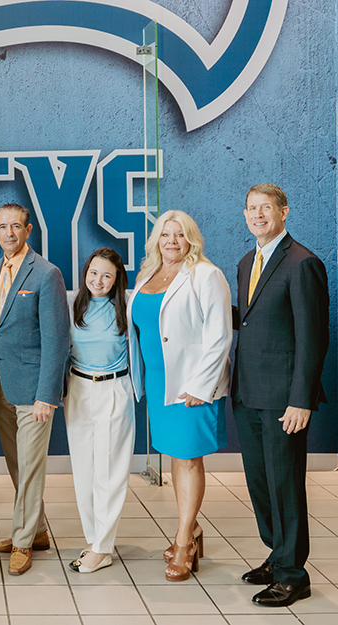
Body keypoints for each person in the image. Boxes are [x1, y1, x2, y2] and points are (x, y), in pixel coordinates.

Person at [232, 184, 329, 607]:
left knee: (285, 484)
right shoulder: (245, 262)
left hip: (283, 397)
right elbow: (248, 321)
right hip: (248, 392)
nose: (258, 215)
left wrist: (301, 399)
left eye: (265, 208)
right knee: (259, 483)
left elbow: (313, 337)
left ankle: (293, 575)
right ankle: (277, 554)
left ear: (283, 212)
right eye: (251, 209)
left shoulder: (302, 263)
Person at [127, 210, 232, 582]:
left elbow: (220, 335)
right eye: (165, 234)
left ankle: (185, 540)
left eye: (180, 235)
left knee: (188, 460)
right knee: (175, 456)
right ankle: (191, 527)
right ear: (156, 240)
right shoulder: (147, 276)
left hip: (191, 387)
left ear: (192, 239)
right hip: (159, 384)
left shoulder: (206, 275)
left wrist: (201, 386)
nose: (172, 241)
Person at [0, 203, 70, 576]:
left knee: (32, 468)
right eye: (2, 227)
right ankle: (37, 532)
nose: (9, 233)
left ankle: (21, 541)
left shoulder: (46, 274)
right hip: (1, 386)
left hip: (34, 391)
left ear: (28, 230)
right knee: (18, 466)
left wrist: (46, 396)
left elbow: (56, 340)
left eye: (16, 226)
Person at [65, 248, 135, 574]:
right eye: (93, 273)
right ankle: (96, 542)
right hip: (78, 389)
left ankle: (101, 546)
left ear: (117, 279)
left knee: (109, 472)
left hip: (113, 389)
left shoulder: (127, 307)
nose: (98, 281)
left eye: (107, 275)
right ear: (85, 273)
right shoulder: (72, 305)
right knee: (84, 473)